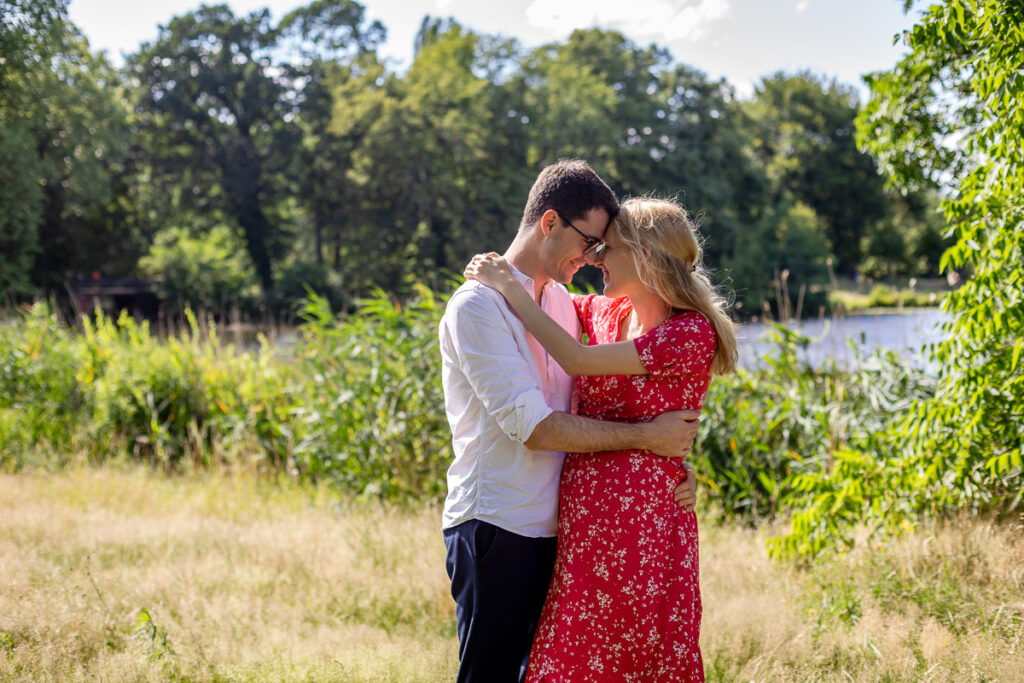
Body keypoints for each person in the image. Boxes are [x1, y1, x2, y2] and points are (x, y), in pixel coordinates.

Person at [440, 161, 702, 683]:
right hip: (498, 523)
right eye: (589, 241)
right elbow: (536, 429)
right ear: (550, 222)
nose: (593, 258)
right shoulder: (478, 307)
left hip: (563, 531)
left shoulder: (562, 304)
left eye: (604, 247)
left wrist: (668, 468)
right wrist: (649, 440)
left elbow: (639, 368)